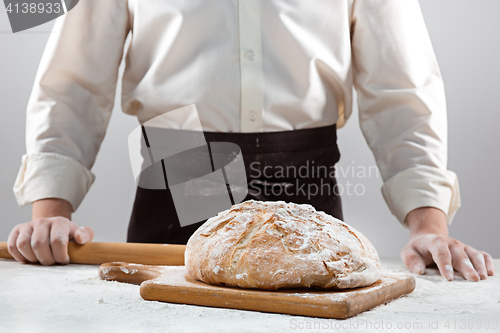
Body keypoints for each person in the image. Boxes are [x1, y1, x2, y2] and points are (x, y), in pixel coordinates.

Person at [8, 0, 494, 282]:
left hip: (308, 188)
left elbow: (401, 87)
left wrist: (427, 223)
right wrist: (49, 216)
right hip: (182, 168)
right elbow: (72, 81)